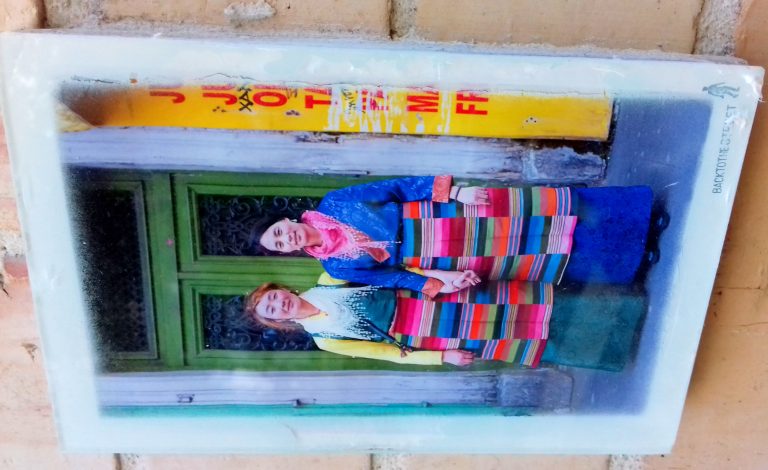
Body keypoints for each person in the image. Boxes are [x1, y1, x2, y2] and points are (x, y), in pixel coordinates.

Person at [254, 176, 654, 298]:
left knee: (538, 212)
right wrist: (440, 281)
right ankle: (630, 255)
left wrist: (455, 192)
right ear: (287, 252)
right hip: (439, 253)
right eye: (280, 244)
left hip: (439, 215)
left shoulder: (335, 203)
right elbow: (394, 277)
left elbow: (396, 188)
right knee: (531, 252)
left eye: (279, 231)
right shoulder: (336, 266)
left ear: (286, 220)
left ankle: (637, 218)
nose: (287, 238)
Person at [244, 275, 553, 367]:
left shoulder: (329, 279)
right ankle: (553, 344)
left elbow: (391, 272)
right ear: (279, 321)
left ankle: (555, 306)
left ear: (284, 289)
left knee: (503, 306)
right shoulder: (325, 339)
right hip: (424, 334)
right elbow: (389, 353)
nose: (279, 304)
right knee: (498, 336)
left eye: (274, 296)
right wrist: (442, 357)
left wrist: (437, 282)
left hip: (425, 299)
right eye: (272, 310)